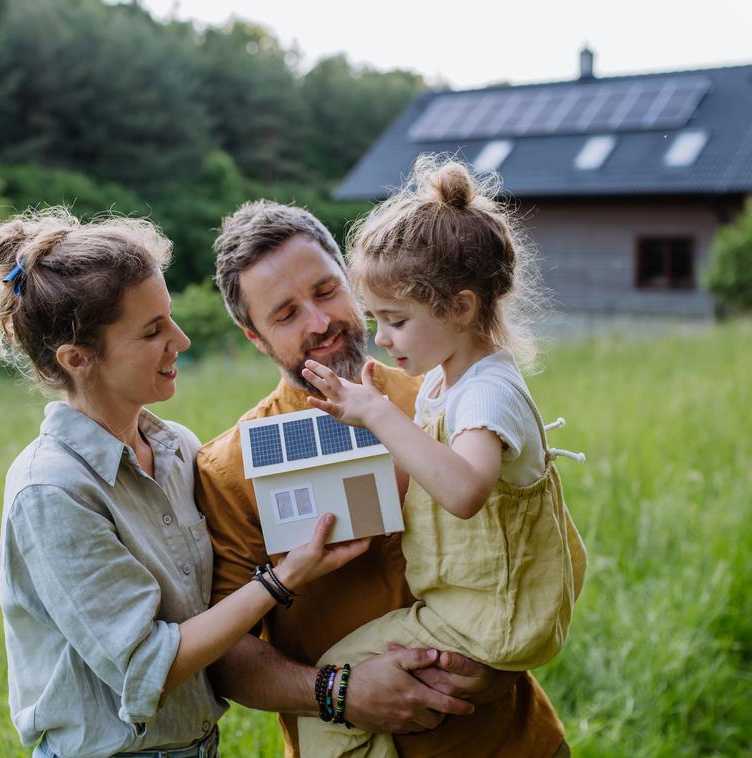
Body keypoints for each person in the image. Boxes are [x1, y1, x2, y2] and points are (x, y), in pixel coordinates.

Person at [0, 208, 368, 758]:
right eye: (153, 330)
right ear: (78, 358)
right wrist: (283, 578)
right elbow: (147, 666)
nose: (179, 341)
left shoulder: (179, 448)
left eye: (171, 318)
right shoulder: (52, 490)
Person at [196, 199, 575, 756]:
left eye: (326, 291)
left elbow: (531, 543)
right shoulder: (228, 469)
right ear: (254, 336)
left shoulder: (442, 391)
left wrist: (499, 664)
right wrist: (338, 692)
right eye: (285, 314)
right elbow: (225, 657)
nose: (320, 323)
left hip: (513, 741)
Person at [296, 156, 588, 757]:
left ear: (459, 307)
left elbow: (462, 492)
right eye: (377, 319)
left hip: (487, 617)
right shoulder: (446, 378)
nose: (381, 337)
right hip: (470, 605)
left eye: (396, 320)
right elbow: (423, 478)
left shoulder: (486, 392)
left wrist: (378, 415)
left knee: (335, 687)